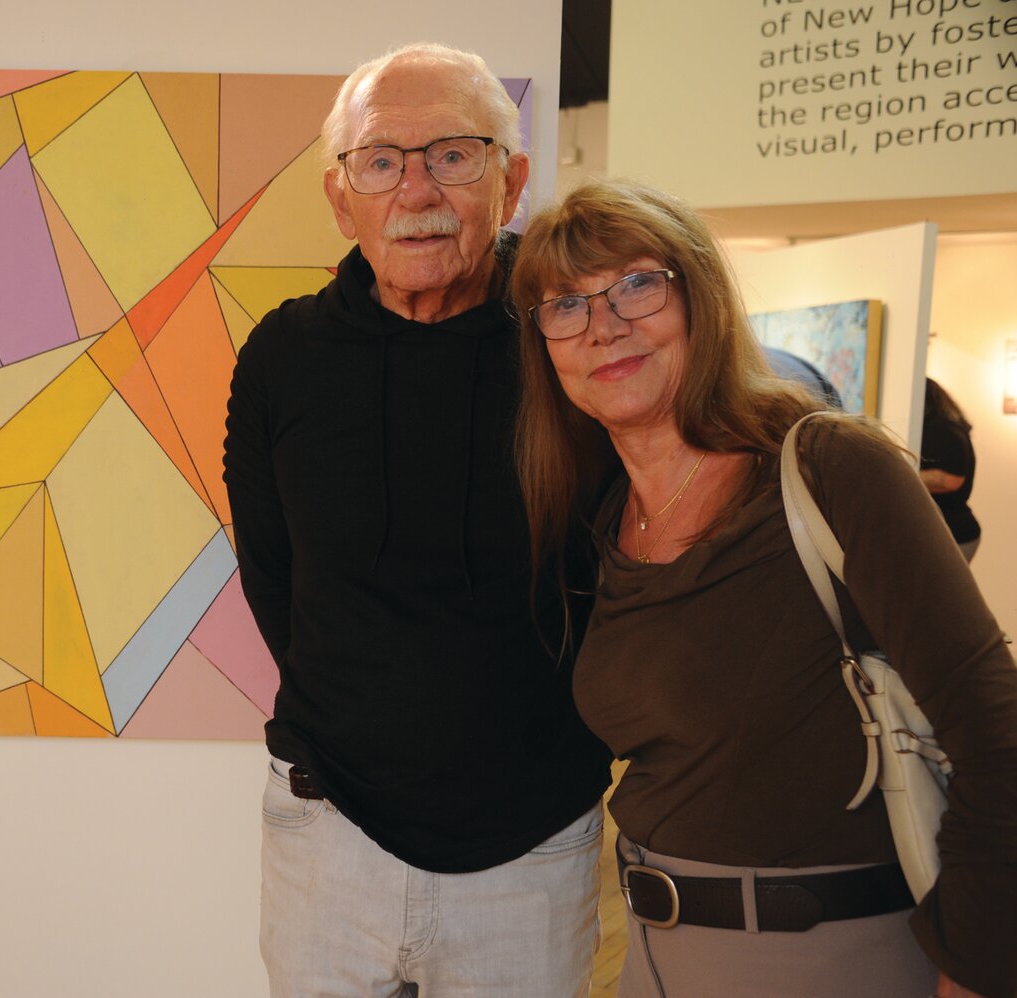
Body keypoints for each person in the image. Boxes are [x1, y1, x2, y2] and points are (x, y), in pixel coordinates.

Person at [510, 179, 1017, 998]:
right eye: (565, 305)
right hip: (651, 956)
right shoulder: (600, 518)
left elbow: (998, 736)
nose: (604, 326)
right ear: (543, 344)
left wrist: (973, 967)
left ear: (700, 297)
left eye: (637, 284)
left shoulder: (830, 468)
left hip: (828, 956)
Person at [223, 43, 613, 997]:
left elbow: (620, 563)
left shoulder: (573, 338)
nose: (415, 190)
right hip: (327, 834)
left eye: (454, 154)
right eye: (381, 161)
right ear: (340, 195)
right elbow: (274, 578)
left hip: (534, 845)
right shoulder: (283, 355)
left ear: (512, 181)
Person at [920, 377, 981, 561]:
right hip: (952, 530)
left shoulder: (944, 431)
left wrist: (902, 476)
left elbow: (951, 480)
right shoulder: (948, 428)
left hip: (953, 532)